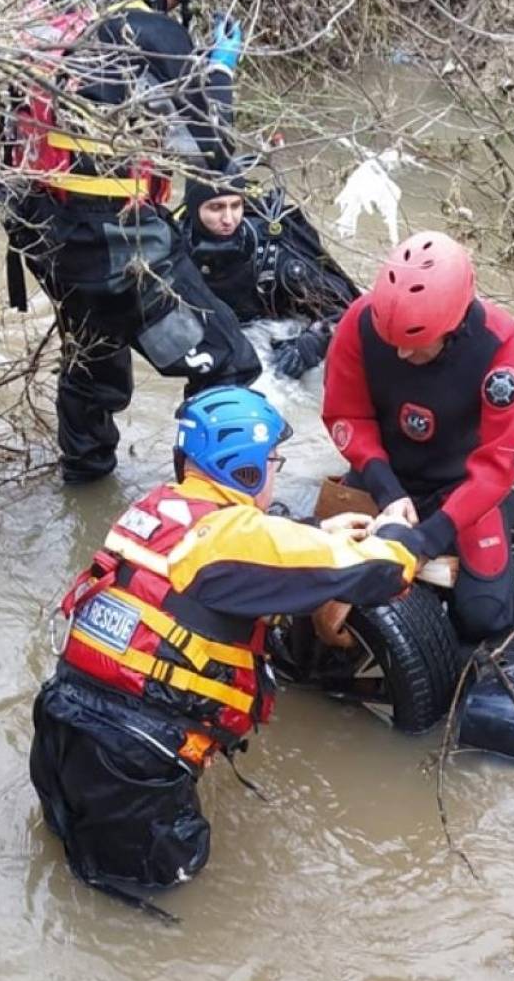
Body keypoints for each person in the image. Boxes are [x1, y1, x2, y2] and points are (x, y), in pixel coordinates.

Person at [30, 386, 419, 903]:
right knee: (164, 892)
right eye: (273, 462)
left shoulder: (157, 507)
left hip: (62, 732)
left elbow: (228, 556)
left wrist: (316, 532)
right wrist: (396, 532)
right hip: (131, 766)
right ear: (248, 471)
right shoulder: (231, 543)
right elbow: (385, 572)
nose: (275, 472)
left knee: (72, 868)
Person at [0, 0, 261, 484]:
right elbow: (211, 151)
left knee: (95, 360)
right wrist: (219, 71)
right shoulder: (153, 30)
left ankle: (86, 489)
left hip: (41, 228)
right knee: (227, 362)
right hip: (114, 244)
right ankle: (206, 501)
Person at [321, 232, 514, 639]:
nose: (402, 355)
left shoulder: (498, 345)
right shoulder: (360, 322)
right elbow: (345, 414)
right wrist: (387, 491)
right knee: (320, 581)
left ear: (452, 325)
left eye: (415, 345)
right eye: (393, 344)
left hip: (461, 484)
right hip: (384, 474)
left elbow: (499, 460)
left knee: (484, 618)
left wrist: (430, 538)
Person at [178, 172, 360, 379]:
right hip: (216, 351)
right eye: (216, 208)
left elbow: (348, 313)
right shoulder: (174, 250)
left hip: (278, 348)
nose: (228, 219)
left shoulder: (273, 252)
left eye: (235, 206)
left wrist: (311, 343)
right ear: (194, 209)